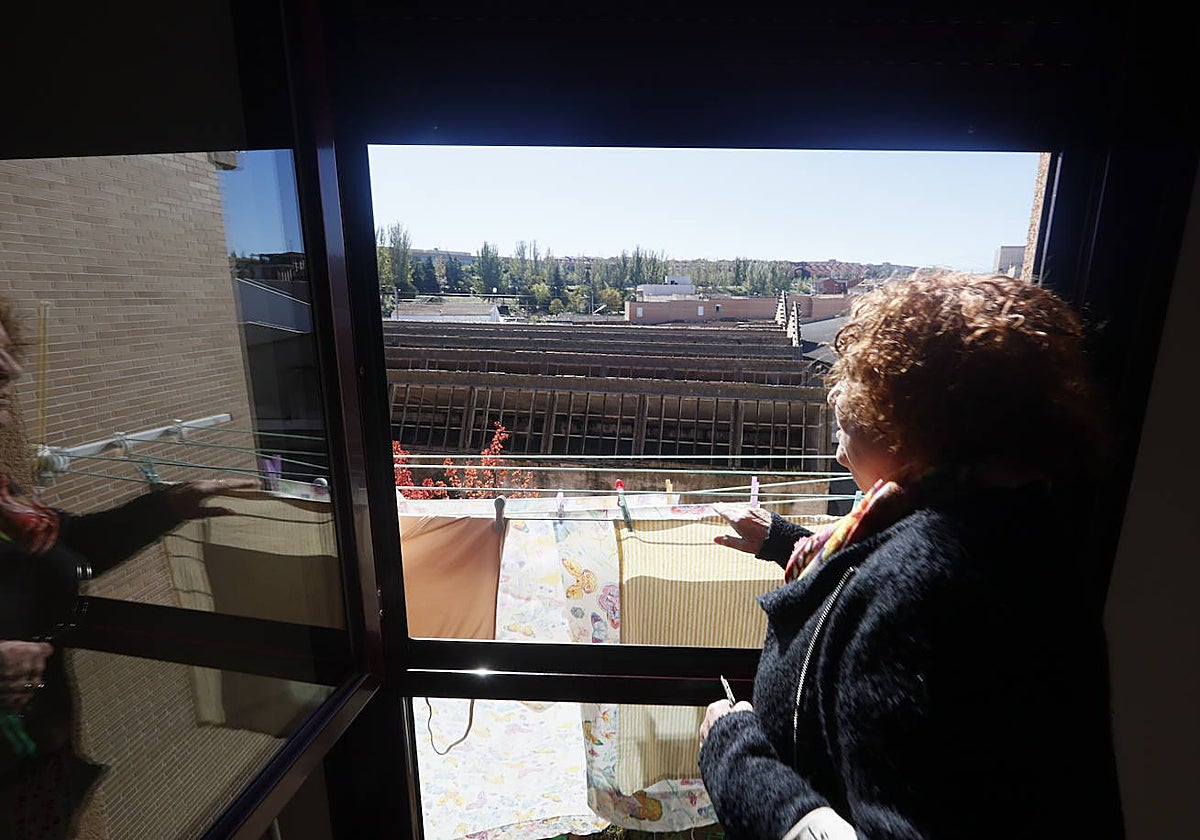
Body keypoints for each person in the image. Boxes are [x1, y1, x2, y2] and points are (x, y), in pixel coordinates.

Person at [699, 273, 1123, 838]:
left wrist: (734, 757)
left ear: (915, 424)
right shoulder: (1004, 527)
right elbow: (870, 575)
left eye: (850, 420)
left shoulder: (939, 584)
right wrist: (781, 541)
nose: (839, 444)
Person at [0, 298, 260, 838]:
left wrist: (172, 503)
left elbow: (69, 548)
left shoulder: (6, 502)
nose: (14, 370)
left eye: (8, 352)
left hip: (31, 785)